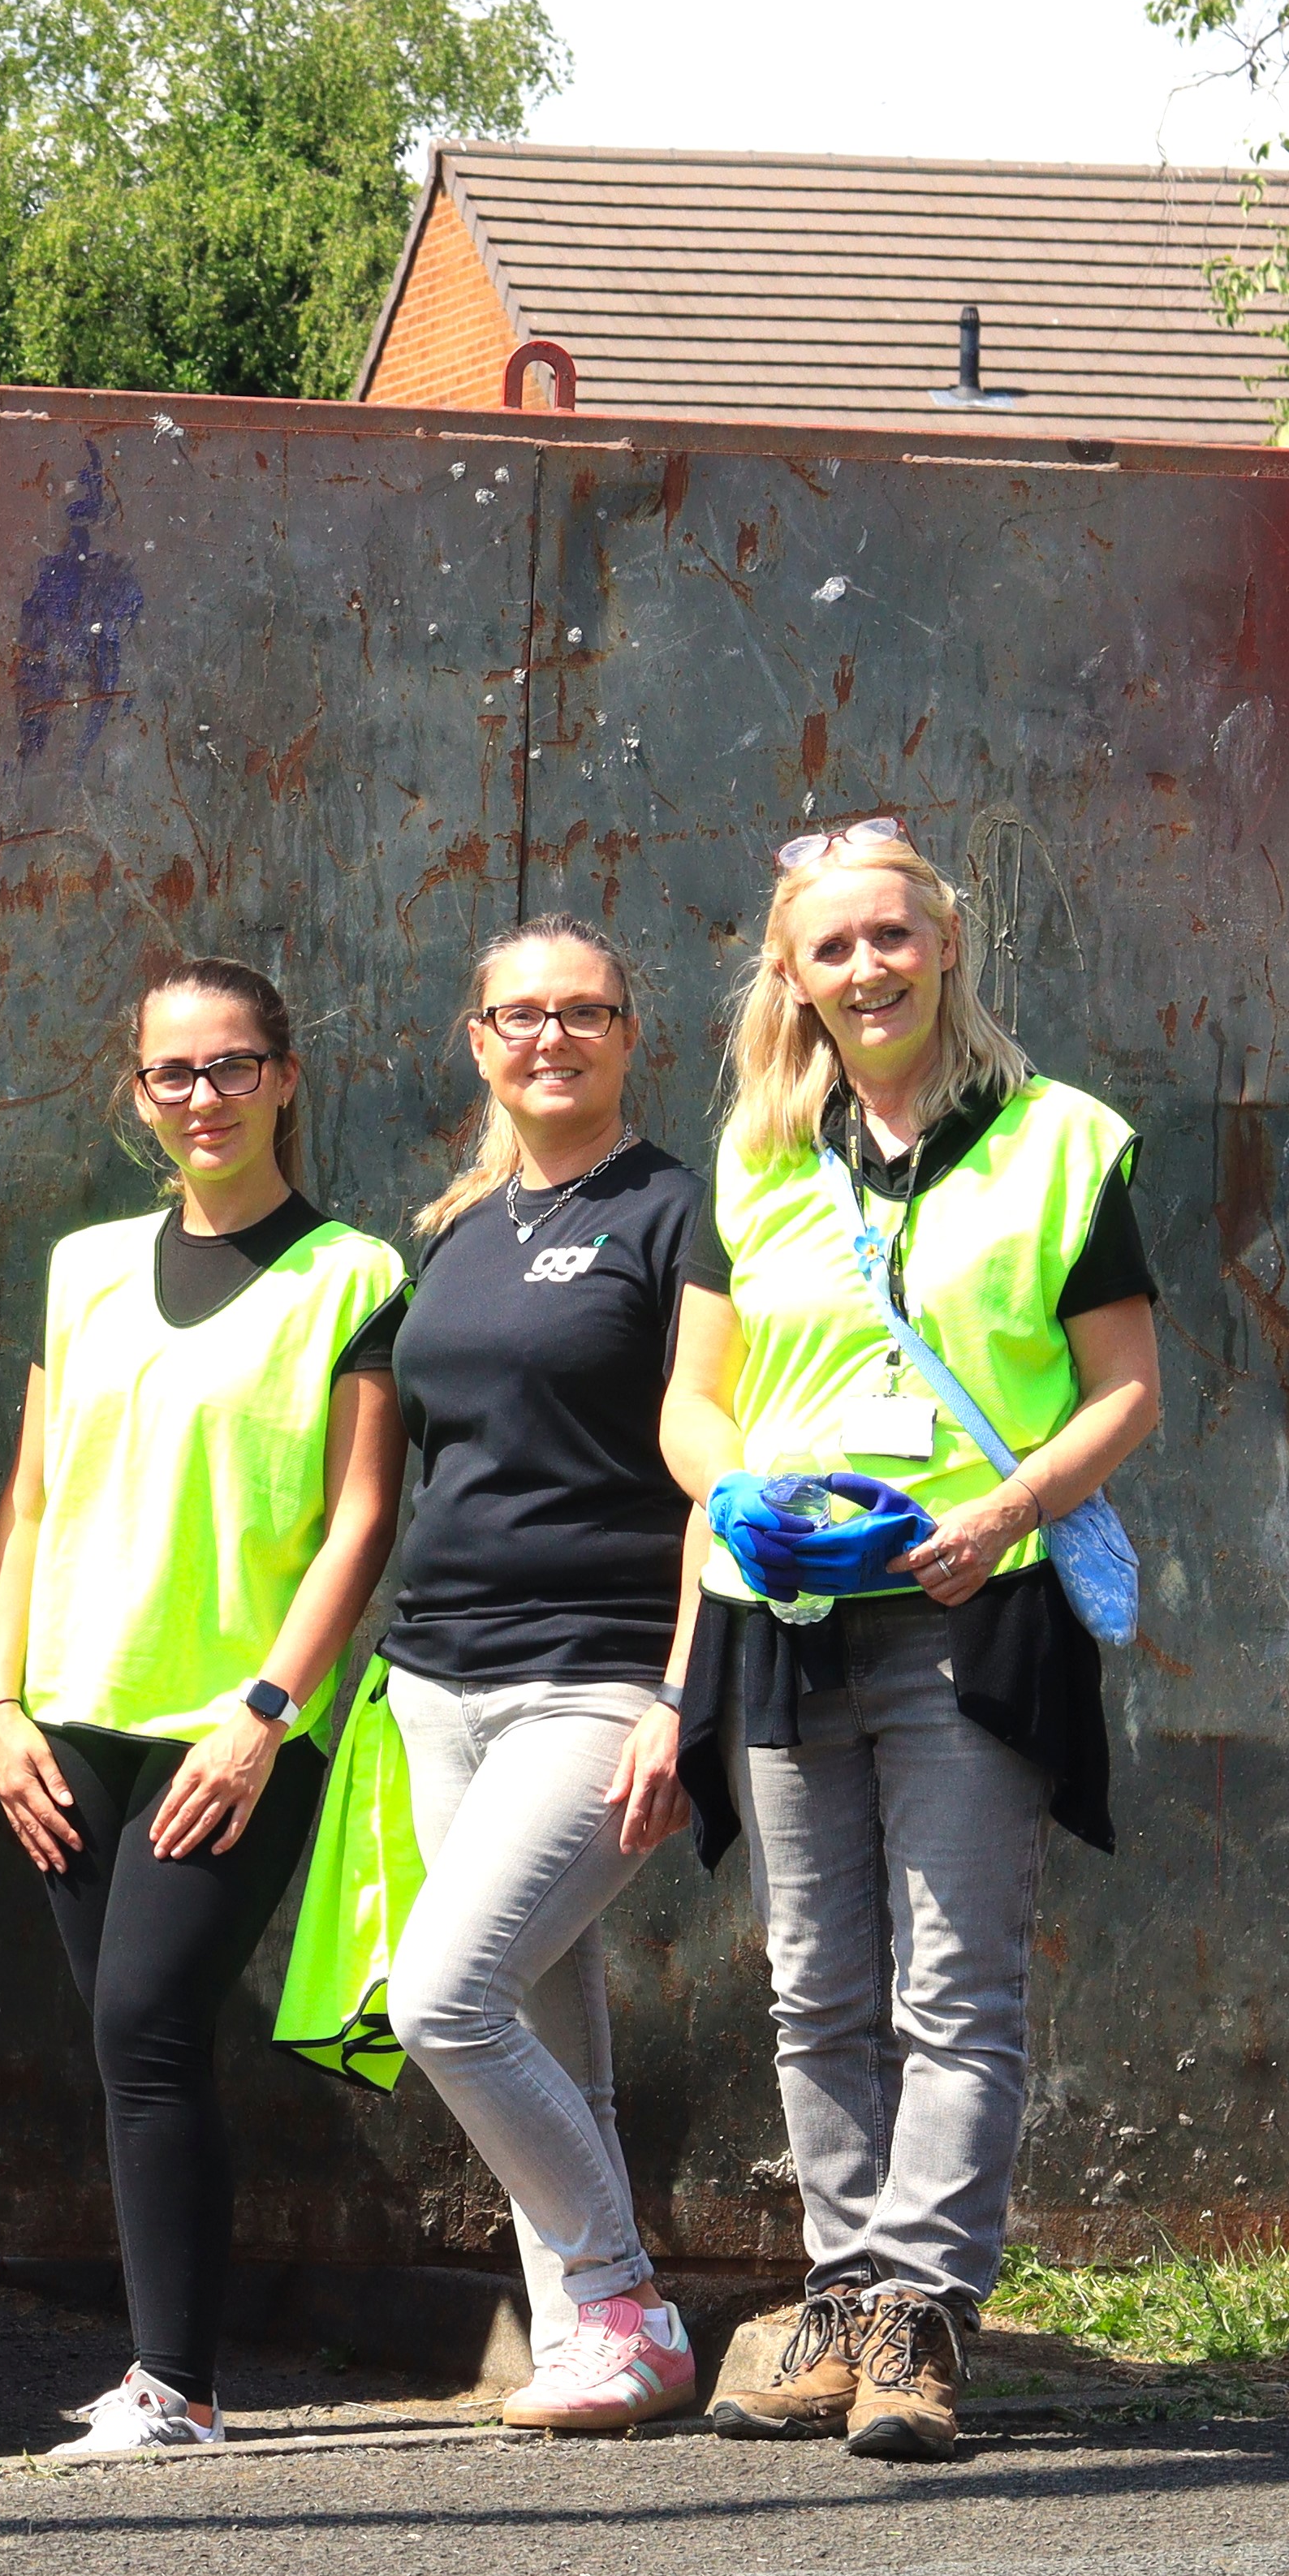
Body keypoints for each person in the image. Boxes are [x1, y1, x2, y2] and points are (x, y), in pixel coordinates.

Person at [674, 821, 1161, 2464]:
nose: (867, 967)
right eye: (834, 947)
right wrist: (734, 1493)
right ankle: (842, 2288)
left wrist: (1005, 1511)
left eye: (893, 935)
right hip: (796, 1617)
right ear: (794, 977)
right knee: (817, 1982)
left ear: (947, 945)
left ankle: (925, 2318)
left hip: (973, 1608)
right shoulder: (755, 1158)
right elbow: (693, 1400)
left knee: (953, 1982)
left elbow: (1126, 1392)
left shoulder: (1061, 1145)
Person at [0, 958, 404, 2458]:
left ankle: (177, 2387)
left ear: (286, 1076)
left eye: (232, 1067)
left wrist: (271, 1709)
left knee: (150, 2023)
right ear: (136, 1093)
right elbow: (25, 1502)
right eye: (173, 1074)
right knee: (126, 2039)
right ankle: (172, 2375)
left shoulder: (357, 1274)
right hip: (67, 1719)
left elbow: (360, 1520)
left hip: (238, 1728)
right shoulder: (82, 1267)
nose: (203, 1098)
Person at [378, 916, 736, 2435]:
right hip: (438, 1675)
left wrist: (679, 1693)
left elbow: (725, 1464)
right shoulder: (456, 1229)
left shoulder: (682, 1216)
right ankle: (595, 2342)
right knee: (541, 2013)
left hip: (592, 1678)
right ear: (478, 1040)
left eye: (583, 1013)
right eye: (520, 1015)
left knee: (446, 2001)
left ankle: (619, 2306)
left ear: (627, 1034)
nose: (551, 1039)